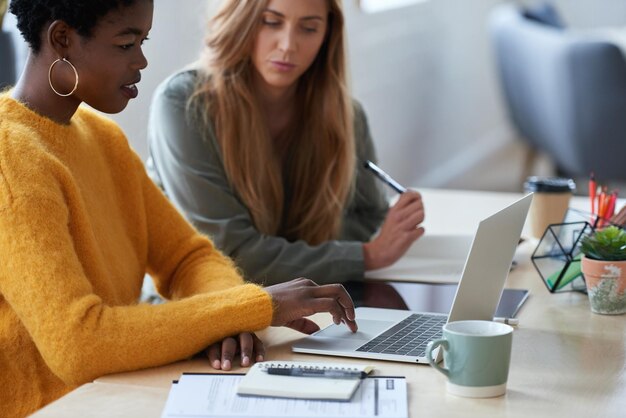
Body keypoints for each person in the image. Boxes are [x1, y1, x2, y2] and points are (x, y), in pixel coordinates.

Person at [0, 1, 358, 416]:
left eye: (143, 41)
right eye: (126, 44)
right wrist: (254, 307)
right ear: (62, 38)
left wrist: (227, 319)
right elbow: (78, 344)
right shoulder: (12, 158)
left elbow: (187, 255)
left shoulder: (101, 138)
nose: (142, 60)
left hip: (117, 395)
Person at [147, 0, 426, 307]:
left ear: (327, 35)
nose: (288, 45)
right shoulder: (183, 104)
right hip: (195, 310)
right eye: (271, 22)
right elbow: (227, 253)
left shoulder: (345, 116)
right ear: (243, 21)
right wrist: (366, 256)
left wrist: (291, 254)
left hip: (299, 303)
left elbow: (367, 214)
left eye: (308, 28)